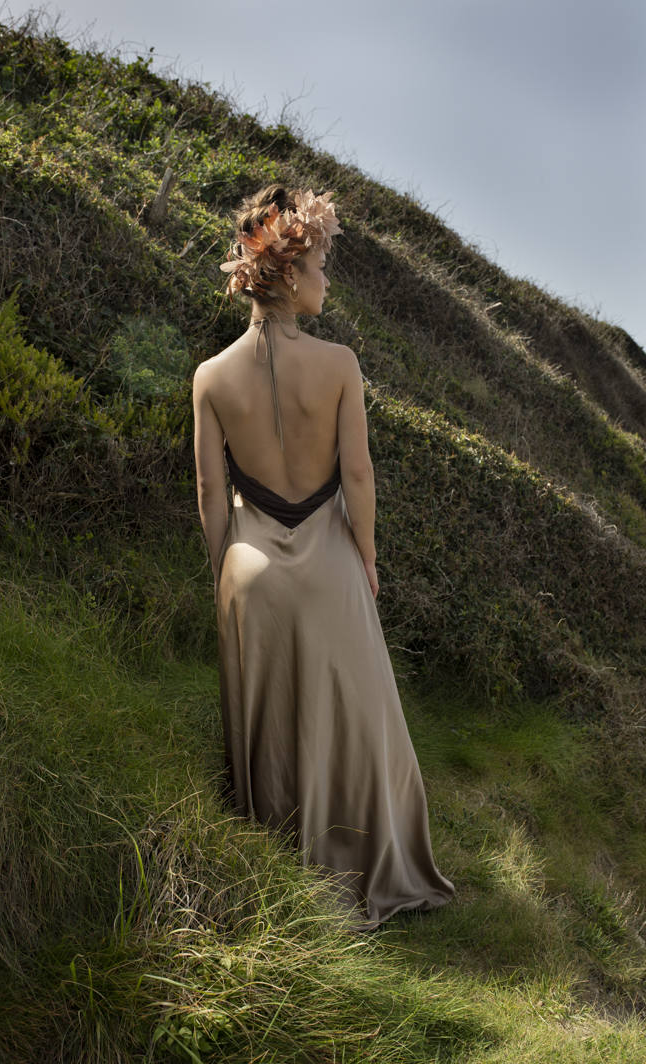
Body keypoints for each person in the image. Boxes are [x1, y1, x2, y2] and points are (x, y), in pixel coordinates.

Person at [192, 184, 455, 931]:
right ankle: (366, 861)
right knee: (359, 718)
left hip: (248, 567)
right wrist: (366, 557)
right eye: (323, 266)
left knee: (272, 725)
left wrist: (222, 573)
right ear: (290, 276)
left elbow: (212, 493)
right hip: (330, 556)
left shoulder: (209, 377)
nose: (328, 281)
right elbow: (359, 476)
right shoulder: (339, 363)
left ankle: (276, 864)